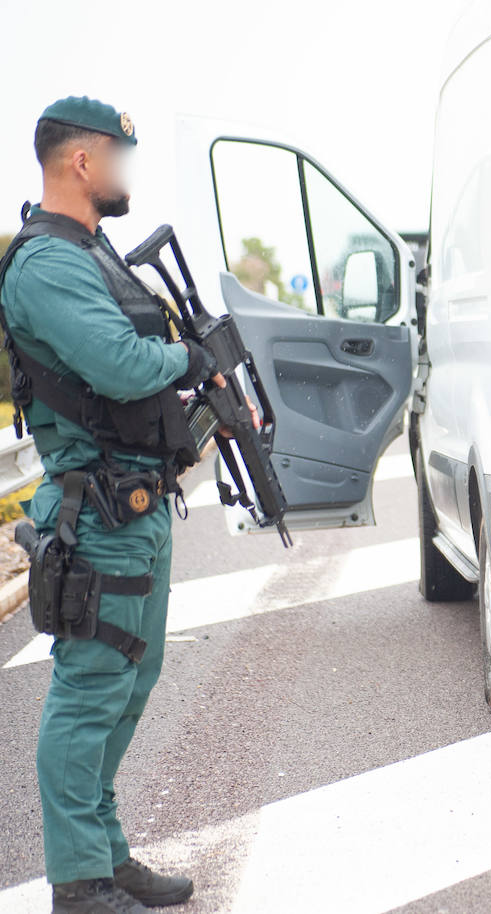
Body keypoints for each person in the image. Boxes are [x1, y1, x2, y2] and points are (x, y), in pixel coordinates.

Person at [0, 97, 225, 912]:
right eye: (118, 154)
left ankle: (106, 852)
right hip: (93, 513)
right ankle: (78, 881)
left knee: (130, 681)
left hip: (132, 504)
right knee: (90, 688)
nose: (128, 170)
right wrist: (188, 357)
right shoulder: (47, 264)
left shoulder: (91, 252)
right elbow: (124, 365)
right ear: (81, 163)